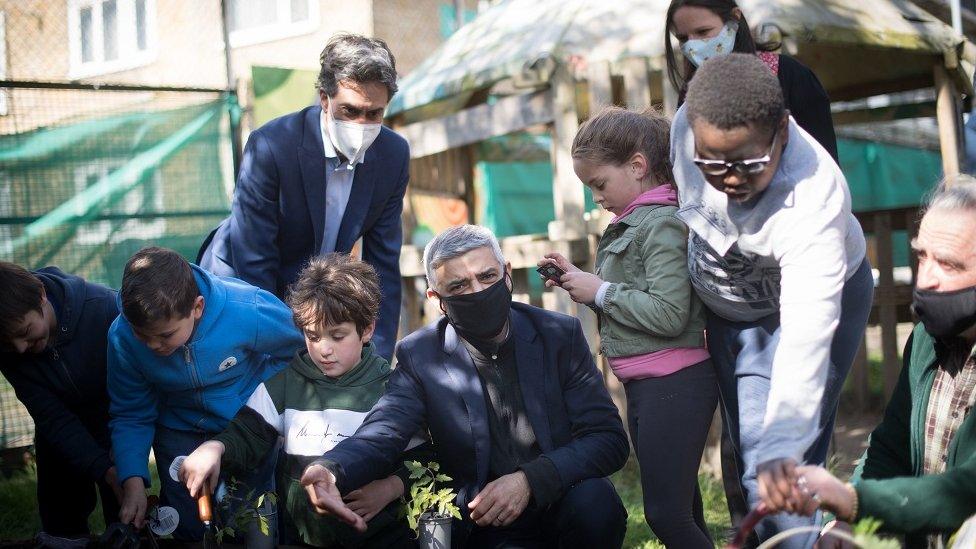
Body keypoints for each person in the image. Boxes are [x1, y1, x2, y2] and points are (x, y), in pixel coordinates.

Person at [298, 225, 630, 548]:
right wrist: (332, 469)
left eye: (487, 276)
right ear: (436, 298)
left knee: (596, 503)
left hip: (559, 498)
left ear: (507, 273)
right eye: (457, 286)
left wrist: (530, 480)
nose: (477, 291)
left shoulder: (558, 335)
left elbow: (607, 438)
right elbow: (385, 429)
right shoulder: (420, 355)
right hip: (481, 518)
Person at [670, 53, 873, 548]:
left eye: (749, 163)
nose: (730, 179)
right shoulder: (688, 123)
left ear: (782, 131)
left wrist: (784, 444)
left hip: (805, 308)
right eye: (712, 163)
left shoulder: (813, 199)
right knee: (749, 461)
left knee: (779, 463)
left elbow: (806, 335)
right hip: (730, 312)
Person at [539, 106, 716, 547]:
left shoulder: (661, 225)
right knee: (683, 509)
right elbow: (634, 298)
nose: (595, 197)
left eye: (599, 184)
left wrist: (600, 291)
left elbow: (670, 312)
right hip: (651, 383)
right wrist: (578, 278)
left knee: (665, 514)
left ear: (637, 166)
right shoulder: (633, 224)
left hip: (675, 381)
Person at [771, 177, 976, 549]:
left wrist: (855, 502)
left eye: (947, 264)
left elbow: (966, 491)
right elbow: (891, 446)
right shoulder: (928, 341)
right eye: (921, 256)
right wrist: (849, 523)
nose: (925, 278)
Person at [178, 254, 425, 547]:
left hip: (382, 537)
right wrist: (215, 447)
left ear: (367, 329)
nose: (324, 349)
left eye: (337, 336)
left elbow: (425, 458)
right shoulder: (284, 384)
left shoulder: (391, 388)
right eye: (312, 335)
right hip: (304, 538)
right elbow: (248, 434)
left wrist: (390, 487)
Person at [198, 33, 409, 361]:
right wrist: (289, 353)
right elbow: (255, 262)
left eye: (374, 114)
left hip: (315, 292)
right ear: (324, 98)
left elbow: (383, 264)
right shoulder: (271, 146)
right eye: (350, 110)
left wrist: (376, 361)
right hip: (239, 283)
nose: (362, 124)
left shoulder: (393, 155)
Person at [107, 247, 304, 541]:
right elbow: (131, 412)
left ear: (197, 307)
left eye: (165, 335)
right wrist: (133, 479)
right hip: (177, 430)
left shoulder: (245, 309)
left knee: (250, 518)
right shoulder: (122, 337)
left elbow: (298, 348)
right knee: (187, 524)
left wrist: (257, 400)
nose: (152, 346)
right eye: (142, 335)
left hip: (243, 426)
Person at [0, 262, 121, 542]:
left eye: (25, 331)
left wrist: (117, 464)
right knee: (61, 514)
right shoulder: (10, 350)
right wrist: (101, 468)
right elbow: (51, 417)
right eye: (8, 344)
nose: (19, 348)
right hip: (60, 432)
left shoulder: (105, 309)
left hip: (116, 420)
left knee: (126, 509)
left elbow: (135, 391)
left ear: (41, 295)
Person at [665, 0, 838, 160]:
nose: (693, 46)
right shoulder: (690, 94)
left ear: (734, 18)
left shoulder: (790, 75)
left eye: (703, 32)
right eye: (683, 38)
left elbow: (823, 159)